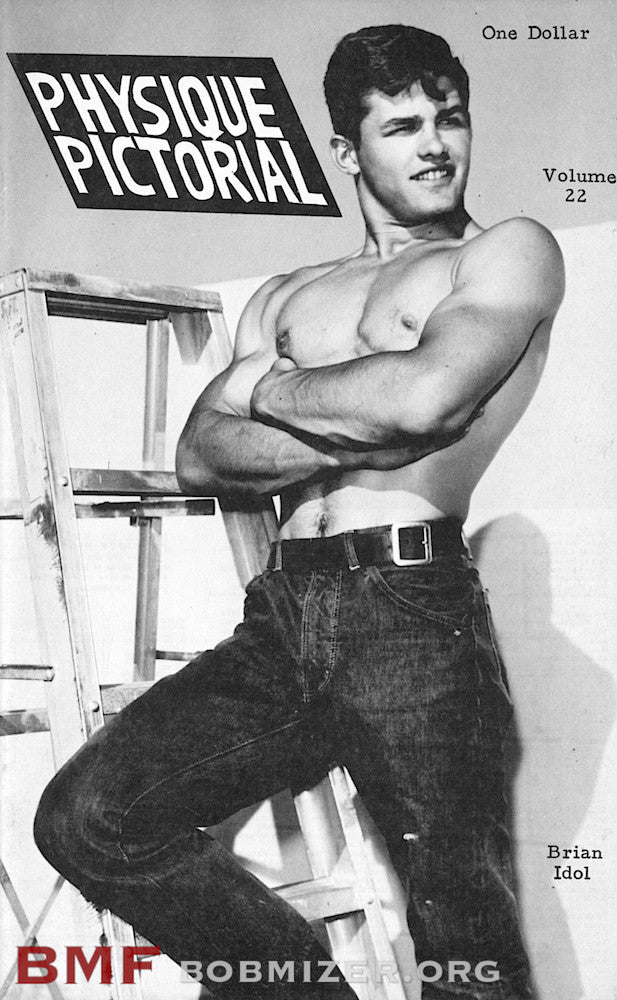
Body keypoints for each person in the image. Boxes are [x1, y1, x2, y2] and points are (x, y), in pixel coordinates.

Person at [33, 24, 564, 1000]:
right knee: (91, 816)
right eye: (401, 126)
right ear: (344, 151)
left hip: (413, 613)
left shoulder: (504, 253)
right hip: (279, 620)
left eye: (449, 117)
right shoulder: (289, 293)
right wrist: (367, 421)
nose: (435, 144)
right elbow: (204, 453)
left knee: (464, 940)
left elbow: (425, 403)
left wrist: (277, 392)